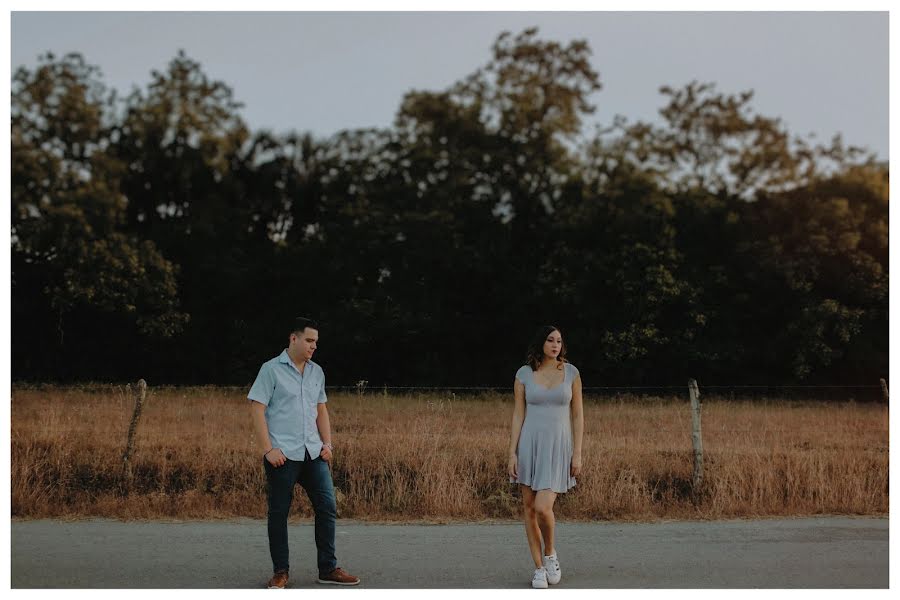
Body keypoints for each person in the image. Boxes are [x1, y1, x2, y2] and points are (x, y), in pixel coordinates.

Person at [248, 317, 360, 588]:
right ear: (293, 339)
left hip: (313, 453)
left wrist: (328, 444)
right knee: (279, 513)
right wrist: (268, 449)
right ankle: (281, 572)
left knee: (327, 507)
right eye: (309, 341)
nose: (313, 347)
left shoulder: (316, 372)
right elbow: (256, 408)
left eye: (316, 343)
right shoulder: (271, 370)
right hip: (283, 455)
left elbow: (321, 409)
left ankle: (328, 568)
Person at [507, 325, 584, 589]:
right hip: (529, 446)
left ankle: (550, 554)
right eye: (550, 340)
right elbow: (518, 414)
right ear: (541, 343)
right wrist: (512, 453)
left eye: (559, 341)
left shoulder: (571, 373)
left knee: (543, 507)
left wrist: (578, 453)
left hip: (558, 448)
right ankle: (539, 568)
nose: (555, 345)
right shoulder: (524, 374)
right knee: (529, 509)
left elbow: (577, 415)